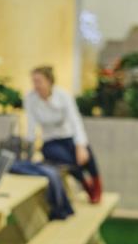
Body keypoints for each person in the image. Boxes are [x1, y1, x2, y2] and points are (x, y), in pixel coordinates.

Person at [25, 66, 102, 203]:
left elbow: (75, 120)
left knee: (86, 154)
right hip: (50, 141)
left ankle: (96, 185)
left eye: (38, 81)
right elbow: (31, 127)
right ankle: (85, 184)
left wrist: (81, 146)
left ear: (49, 81)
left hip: (68, 136)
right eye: (34, 81)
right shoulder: (30, 99)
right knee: (66, 159)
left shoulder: (63, 95)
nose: (35, 85)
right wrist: (28, 152)